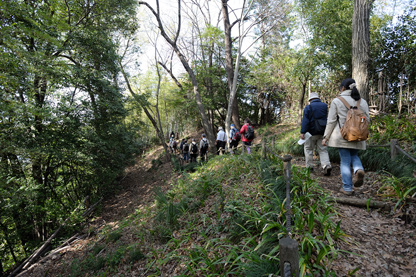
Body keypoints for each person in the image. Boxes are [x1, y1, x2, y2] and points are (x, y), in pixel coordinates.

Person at [322, 78, 370, 195]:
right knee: (354, 155)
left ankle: (347, 188)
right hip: (358, 135)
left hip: (342, 136)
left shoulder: (337, 101)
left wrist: (326, 137)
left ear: (343, 88)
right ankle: (359, 169)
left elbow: (331, 121)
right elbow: (368, 120)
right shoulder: (362, 102)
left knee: (345, 161)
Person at [300, 92, 332, 175]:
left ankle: (309, 167)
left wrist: (302, 132)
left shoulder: (308, 107)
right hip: (322, 131)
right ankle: (326, 166)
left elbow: (305, 121)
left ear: (310, 99)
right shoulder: (324, 106)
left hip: (311, 133)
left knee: (308, 149)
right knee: (323, 150)